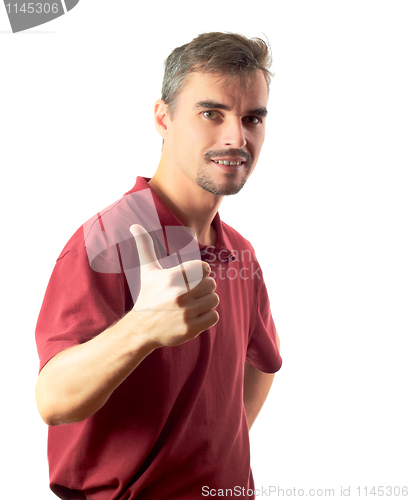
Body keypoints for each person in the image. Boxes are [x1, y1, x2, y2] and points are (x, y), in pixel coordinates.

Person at [35, 32, 282, 500]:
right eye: (212, 113)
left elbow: (263, 362)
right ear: (163, 118)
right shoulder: (108, 241)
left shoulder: (241, 252)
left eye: (252, 118)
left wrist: (211, 454)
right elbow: (52, 400)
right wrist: (142, 328)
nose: (236, 137)